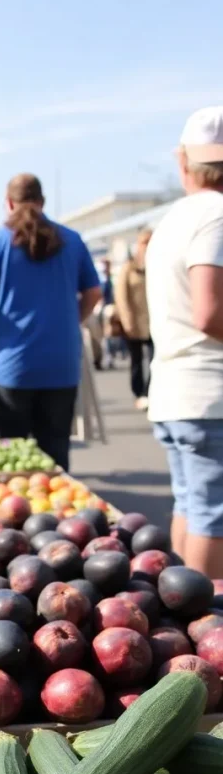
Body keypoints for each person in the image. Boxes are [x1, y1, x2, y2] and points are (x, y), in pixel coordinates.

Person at [0, 173, 102, 472]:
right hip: (61, 364)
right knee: (55, 451)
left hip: (13, 367)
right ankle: (58, 515)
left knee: (15, 456)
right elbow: (94, 292)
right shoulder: (72, 240)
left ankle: (21, 517)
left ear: (9, 203)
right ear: (42, 202)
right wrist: (72, 320)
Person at [146, 106, 223, 578]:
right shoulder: (217, 217)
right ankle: (207, 627)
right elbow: (209, 311)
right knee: (213, 514)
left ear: (183, 163)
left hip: (175, 391)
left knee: (191, 505)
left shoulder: (174, 219)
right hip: (209, 392)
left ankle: (181, 614)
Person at [115, 229, 153, 410]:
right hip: (134, 323)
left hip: (154, 322)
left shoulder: (158, 264)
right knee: (136, 360)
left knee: (155, 359)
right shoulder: (129, 267)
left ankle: (149, 392)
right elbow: (121, 296)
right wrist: (127, 321)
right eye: (145, 242)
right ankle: (138, 392)